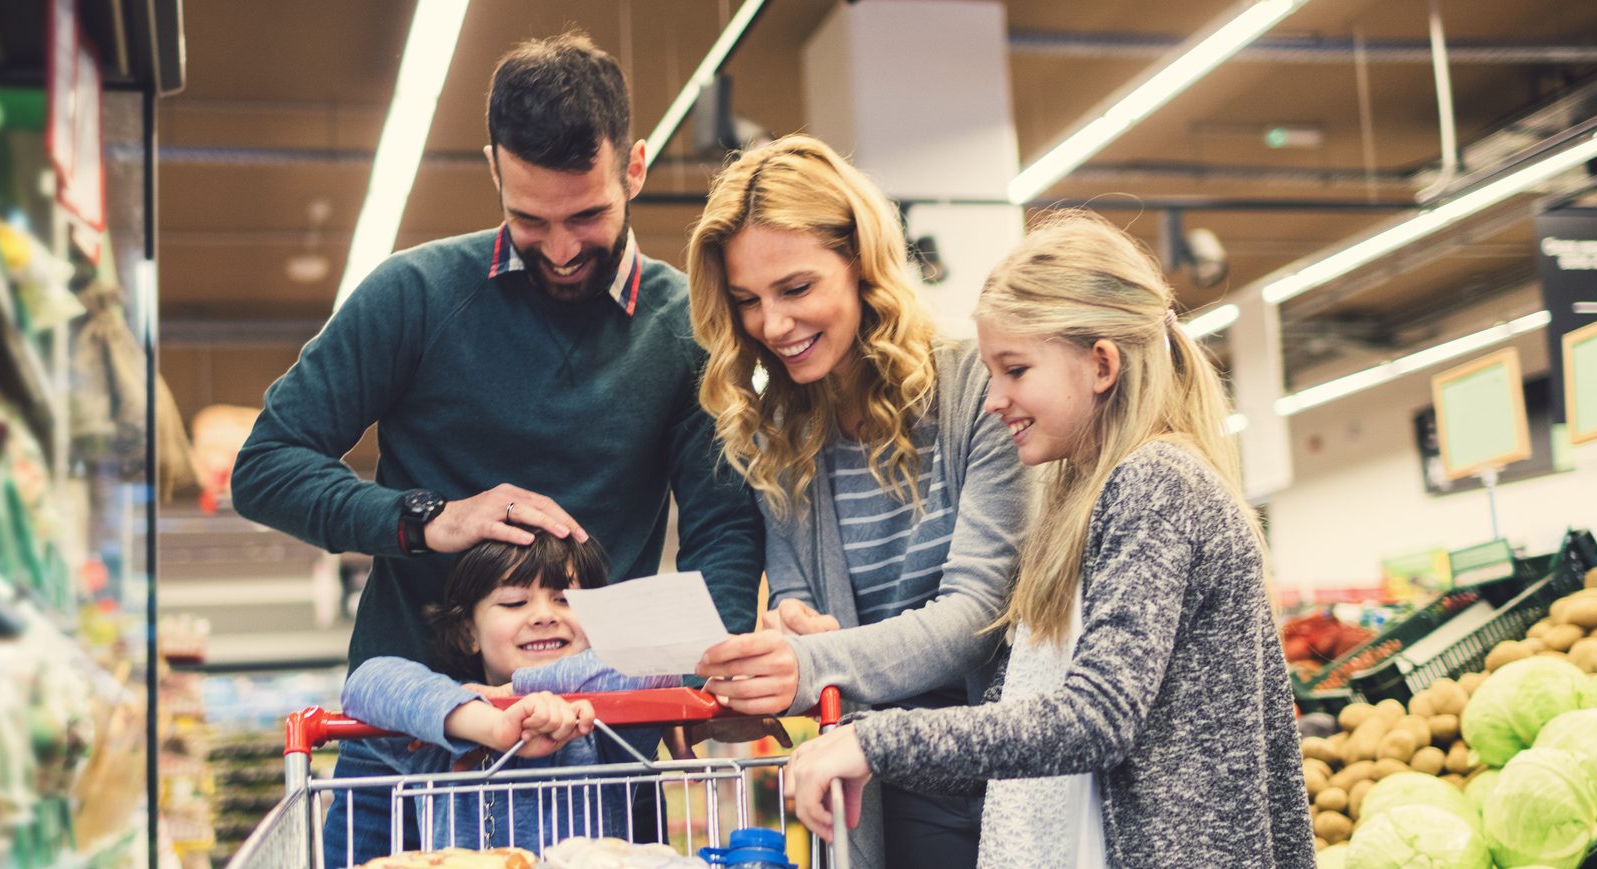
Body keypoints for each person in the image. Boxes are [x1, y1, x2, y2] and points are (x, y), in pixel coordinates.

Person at [229, 32, 765, 856]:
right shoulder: (412, 296)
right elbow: (266, 466)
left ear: (636, 168)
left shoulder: (685, 325)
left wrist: (693, 678)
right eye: (529, 219)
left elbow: (723, 529)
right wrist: (425, 519)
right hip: (399, 748)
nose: (558, 249)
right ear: (492, 170)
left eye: (586, 215)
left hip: (601, 747)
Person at [781, 213, 1314, 868]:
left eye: (1014, 370)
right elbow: (1023, 724)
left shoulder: (1155, 484)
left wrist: (879, 744)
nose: (994, 397)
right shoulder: (1085, 497)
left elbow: (1097, 717)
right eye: (991, 372)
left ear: (1100, 364)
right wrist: (872, 747)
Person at [681, 135, 1031, 869]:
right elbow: (807, 609)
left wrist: (808, 659)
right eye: (747, 300)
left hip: (996, 781)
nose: (771, 325)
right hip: (869, 785)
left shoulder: (980, 392)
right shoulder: (778, 434)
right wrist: (791, 628)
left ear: (862, 264)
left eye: (796, 288)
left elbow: (976, 617)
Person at [336, 530, 679, 856]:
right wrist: (488, 722)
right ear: (469, 632)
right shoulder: (445, 733)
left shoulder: (603, 729)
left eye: (564, 600)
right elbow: (368, 682)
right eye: (515, 602)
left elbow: (652, 658)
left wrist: (514, 691)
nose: (545, 615)